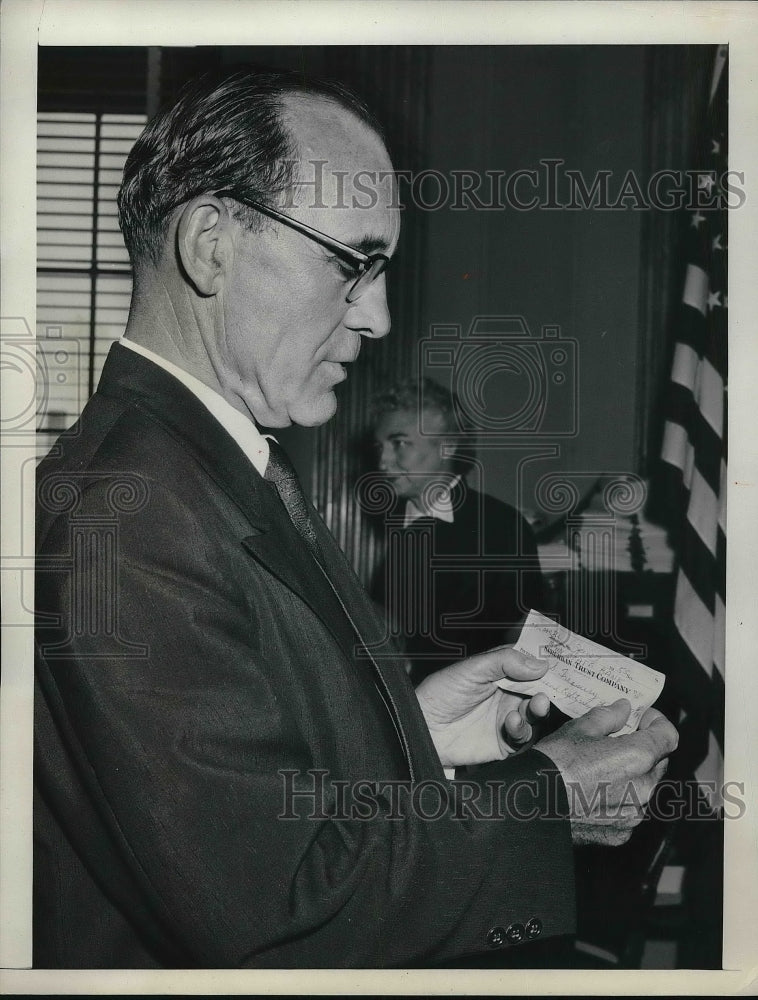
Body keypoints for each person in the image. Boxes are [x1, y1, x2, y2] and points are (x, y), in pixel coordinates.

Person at [34, 68, 678, 969]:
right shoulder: (127, 513)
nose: (375, 315)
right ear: (210, 244)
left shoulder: (200, 468)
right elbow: (272, 905)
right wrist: (548, 792)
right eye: (351, 262)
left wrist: (414, 735)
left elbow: (238, 791)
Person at [370, 377, 544, 685]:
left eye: (399, 444)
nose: (383, 461)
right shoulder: (397, 525)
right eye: (380, 447)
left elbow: (528, 641)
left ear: (447, 447)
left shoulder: (502, 527)